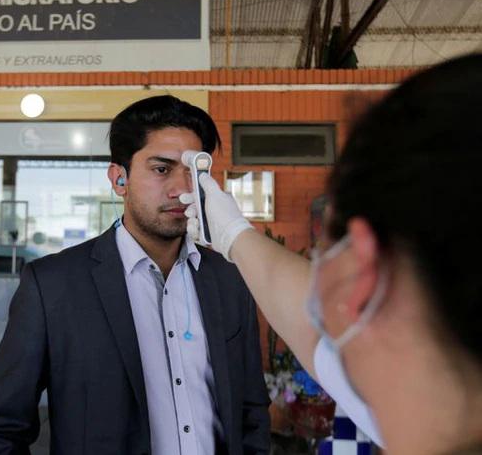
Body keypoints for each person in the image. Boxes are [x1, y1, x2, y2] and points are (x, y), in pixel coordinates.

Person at [182, 54, 482, 455]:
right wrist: (234, 234)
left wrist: (235, 235)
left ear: (362, 272)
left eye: (328, 240)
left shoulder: (397, 393)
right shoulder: (416, 395)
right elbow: (308, 321)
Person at [0, 95, 270, 454]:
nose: (182, 190)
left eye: (194, 173)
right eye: (161, 169)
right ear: (119, 179)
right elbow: (1, 430)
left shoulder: (230, 278)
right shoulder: (53, 286)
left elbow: (251, 411)